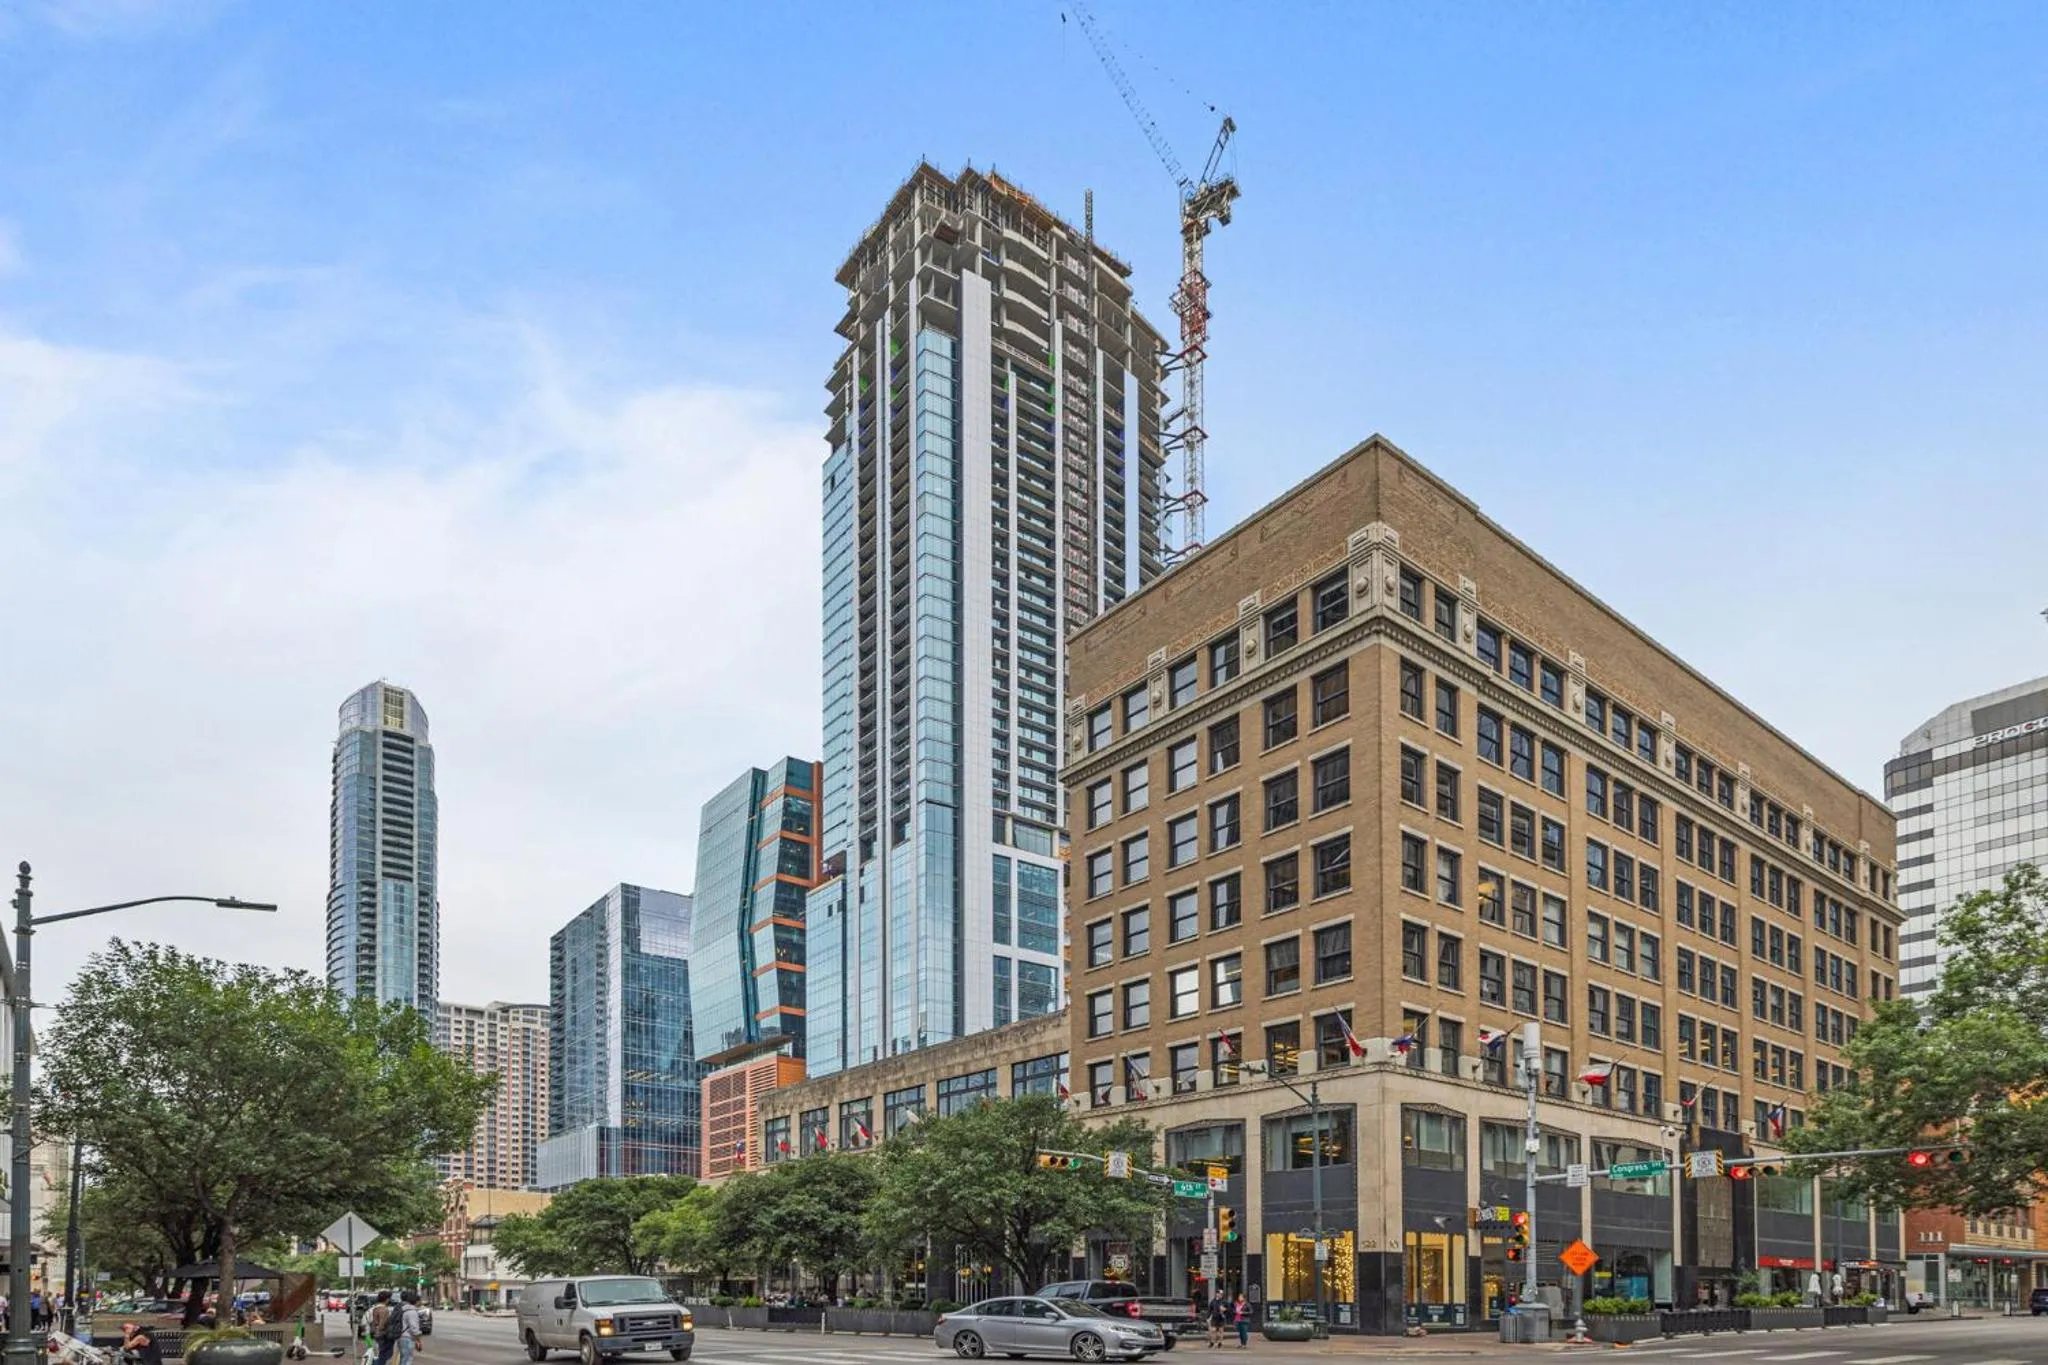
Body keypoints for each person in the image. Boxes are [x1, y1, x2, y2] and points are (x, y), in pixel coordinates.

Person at [366, 1291, 397, 1365]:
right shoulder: (384, 1309)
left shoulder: (375, 1308)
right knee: (384, 1354)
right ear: (386, 1299)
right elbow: (382, 1324)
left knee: (378, 1354)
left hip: (376, 1334)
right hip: (383, 1335)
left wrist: (374, 1332)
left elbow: (373, 1322)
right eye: (389, 1298)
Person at [396, 1291, 423, 1365]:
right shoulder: (412, 1312)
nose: (421, 1302)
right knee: (407, 1360)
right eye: (420, 1300)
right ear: (416, 1301)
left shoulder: (404, 1310)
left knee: (403, 1359)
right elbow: (414, 1329)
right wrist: (419, 1340)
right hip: (408, 1339)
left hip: (401, 1337)